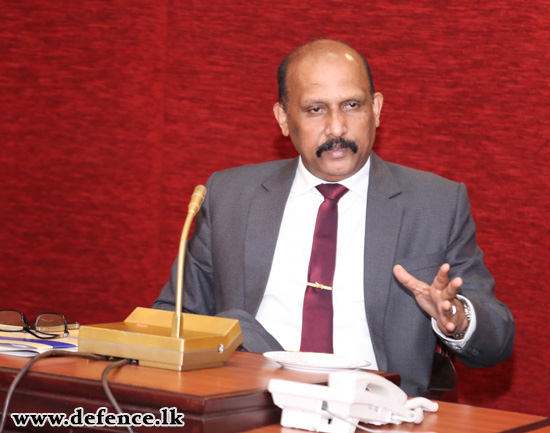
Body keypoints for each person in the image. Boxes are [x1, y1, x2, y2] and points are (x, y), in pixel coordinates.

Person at [153, 39, 514, 396]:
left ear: (375, 109)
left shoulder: (435, 203)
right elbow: (175, 317)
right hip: (249, 403)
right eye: (315, 110)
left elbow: (497, 340)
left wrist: (457, 320)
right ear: (283, 117)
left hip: (376, 412)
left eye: (352, 105)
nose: (337, 128)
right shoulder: (232, 195)